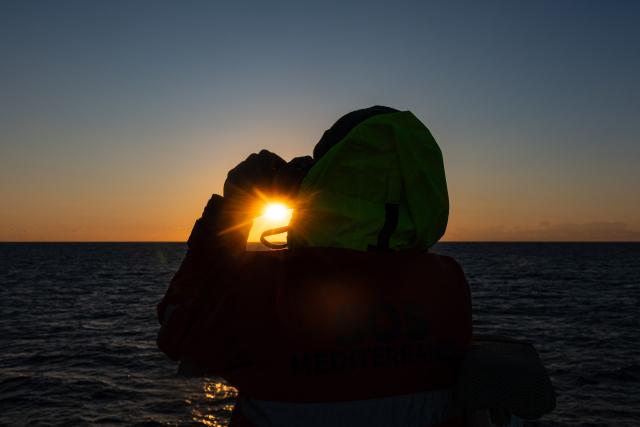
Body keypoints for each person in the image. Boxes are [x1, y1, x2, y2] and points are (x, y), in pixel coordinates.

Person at [157, 106, 472, 427]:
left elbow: (175, 329)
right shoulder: (448, 286)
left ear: (322, 180)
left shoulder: (263, 287)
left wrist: (233, 209)